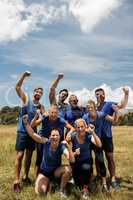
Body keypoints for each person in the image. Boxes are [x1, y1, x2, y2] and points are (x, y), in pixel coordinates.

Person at [22, 115, 71, 197]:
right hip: (45, 172)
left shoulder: (61, 146)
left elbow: (67, 154)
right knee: (41, 192)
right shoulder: (45, 142)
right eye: (53, 135)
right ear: (49, 137)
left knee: (68, 169)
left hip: (56, 172)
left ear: (60, 137)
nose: (55, 137)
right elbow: (32, 134)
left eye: (57, 135)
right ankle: (50, 182)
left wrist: (69, 151)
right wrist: (26, 123)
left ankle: (61, 190)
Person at [13, 71, 44, 193]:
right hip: (22, 131)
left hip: (33, 133)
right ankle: (16, 180)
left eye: (40, 92)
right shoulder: (26, 99)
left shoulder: (40, 107)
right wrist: (24, 76)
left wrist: (38, 118)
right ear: (34, 92)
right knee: (20, 155)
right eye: (37, 91)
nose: (38, 93)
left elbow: (41, 120)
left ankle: (25, 176)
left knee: (29, 156)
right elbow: (17, 87)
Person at [95, 86, 129, 189]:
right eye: (97, 94)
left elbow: (121, 105)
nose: (99, 95)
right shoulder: (94, 107)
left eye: (101, 94)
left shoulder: (109, 104)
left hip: (107, 136)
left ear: (104, 95)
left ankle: (113, 179)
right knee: (98, 159)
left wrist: (126, 94)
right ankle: (101, 178)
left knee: (110, 158)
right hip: (96, 137)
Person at [83, 99, 118, 192]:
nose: (89, 109)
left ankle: (104, 183)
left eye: (91, 107)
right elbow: (82, 128)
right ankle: (89, 180)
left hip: (97, 140)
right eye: (88, 107)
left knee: (100, 159)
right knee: (88, 160)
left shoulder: (101, 114)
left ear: (95, 108)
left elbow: (113, 120)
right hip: (88, 140)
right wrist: (88, 129)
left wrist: (116, 111)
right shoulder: (85, 117)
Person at [31, 105, 74, 176]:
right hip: (43, 140)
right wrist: (37, 116)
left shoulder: (60, 120)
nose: (53, 114)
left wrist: (69, 134)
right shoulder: (44, 118)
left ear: (58, 113)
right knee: (39, 159)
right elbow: (32, 125)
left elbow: (72, 128)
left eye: (55, 113)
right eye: (52, 112)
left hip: (55, 141)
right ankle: (37, 177)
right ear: (48, 112)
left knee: (57, 159)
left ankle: (55, 176)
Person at [66, 118, 102, 199]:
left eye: (82, 127)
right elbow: (67, 143)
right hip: (76, 162)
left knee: (86, 168)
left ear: (85, 127)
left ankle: (85, 189)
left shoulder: (88, 136)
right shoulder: (73, 137)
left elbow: (99, 144)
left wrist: (93, 133)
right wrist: (75, 153)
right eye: (78, 127)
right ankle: (81, 183)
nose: (80, 129)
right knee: (77, 181)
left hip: (87, 162)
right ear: (75, 128)